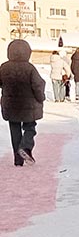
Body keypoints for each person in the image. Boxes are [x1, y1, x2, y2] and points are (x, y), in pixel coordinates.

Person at [0, 39, 46, 167]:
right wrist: (40, 97)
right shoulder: (29, 68)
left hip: (10, 105)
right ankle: (25, 147)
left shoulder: (4, 67)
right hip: (28, 105)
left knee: (14, 130)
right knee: (30, 127)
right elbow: (38, 85)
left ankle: (18, 160)